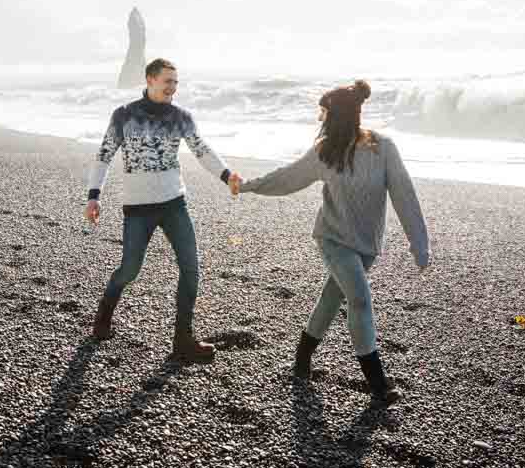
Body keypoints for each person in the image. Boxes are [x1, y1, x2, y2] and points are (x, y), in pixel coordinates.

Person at [233, 79, 429, 403]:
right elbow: (287, 178)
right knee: (360, 299)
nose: (319, 120)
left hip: (367, 244)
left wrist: (419, 243)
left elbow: (404, 194)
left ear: (337, 116)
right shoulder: (325, 153)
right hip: (334, 238)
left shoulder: (382, 148)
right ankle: (378, 383)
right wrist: (250, 185)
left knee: (330, 299)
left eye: (322, 114)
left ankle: (301, 358)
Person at [85, 57, 241, 362]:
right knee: (130, 269)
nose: (173, 87)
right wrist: (94, 196)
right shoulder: (124, 115)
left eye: (176, 82)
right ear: (150, 80)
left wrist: (227, 175)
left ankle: (183, 340)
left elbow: (202, 150)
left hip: (173, 203)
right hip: (138, 206)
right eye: (168, 81)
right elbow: (103, 155)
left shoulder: (181, 116)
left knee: (191, 267)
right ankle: (103, 316)